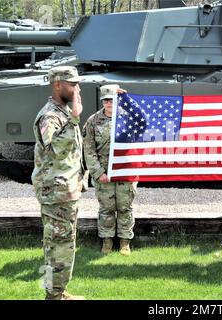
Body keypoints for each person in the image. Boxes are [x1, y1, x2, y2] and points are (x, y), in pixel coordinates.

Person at [32, 66, 86, 300]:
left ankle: (58, 292)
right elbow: (53, 149)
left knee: (61, 244)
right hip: (56, 193)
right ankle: (53, 296)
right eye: (72, 84)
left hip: (65, 191)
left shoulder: (62, 112)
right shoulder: (50, 115)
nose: (77, 89)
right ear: (57, 85)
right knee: (58, 246)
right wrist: (74, 118)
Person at [83, 84, 137, 255]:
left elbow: (143, 119)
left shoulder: (128, 118)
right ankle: (106, 242)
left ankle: (124, 242)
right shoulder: (93, 121)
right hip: (104, 174)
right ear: (102, 101)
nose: (109, 103)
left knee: (124, 208)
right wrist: (99, 173)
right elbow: (89, 150)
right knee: (106, 209)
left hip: (124, 172)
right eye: (106, 100)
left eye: (112, 99)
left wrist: (127, 99)